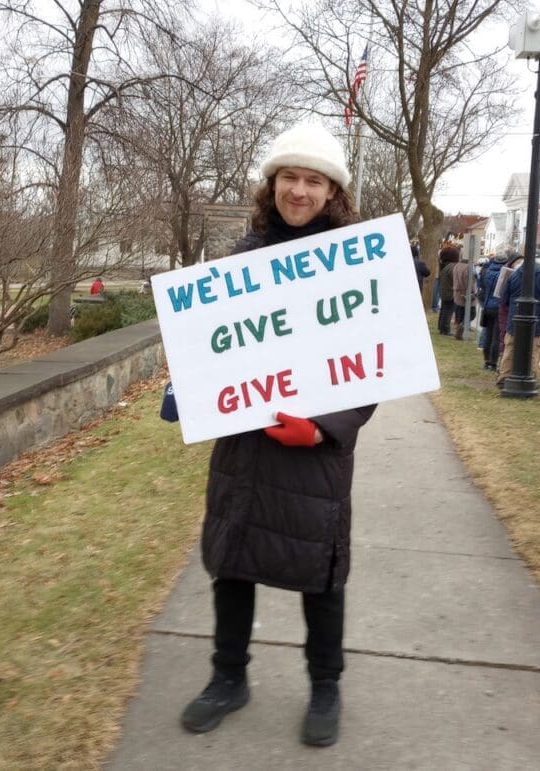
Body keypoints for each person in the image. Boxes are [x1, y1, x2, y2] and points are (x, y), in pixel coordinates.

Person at [180, 122, 376, 746]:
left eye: (312, 180)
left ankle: (326, 687)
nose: (299, 190)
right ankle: (227, 678)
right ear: (272, 185)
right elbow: (210, 350)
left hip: (312, 455)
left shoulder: (356, 265)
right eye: (289, 177)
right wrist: (187, 388)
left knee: (319, 572)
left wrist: (322, 429)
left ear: (331, 193)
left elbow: (372, 364)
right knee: (232, 564)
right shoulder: (238, 262)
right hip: (245, 445)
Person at [495, 253, 540, 388]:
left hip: (514, 319)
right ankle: (529, 377)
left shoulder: (513, 276)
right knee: (534, 350)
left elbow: (504, 298)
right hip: (537, 321)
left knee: (510, 348)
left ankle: (504, 376)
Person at [478, 252, 507, 370]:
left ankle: (486, 360)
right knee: (496, 336)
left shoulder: (487, 271)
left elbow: (481, 286)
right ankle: (493, 362)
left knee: (488, 335)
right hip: (498, 306)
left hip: (487, 306)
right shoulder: (503, 273)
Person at [436, 245, 461, 336]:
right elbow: (455, 279)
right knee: (448, 311)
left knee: (444, 309)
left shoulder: (443, 265)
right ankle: (445, 329)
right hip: (450, 292)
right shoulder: (452, 267)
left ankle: (441, 327)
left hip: (444, 291)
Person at [451, 247, 473, 340]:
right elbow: (469, 282)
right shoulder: (467, 267)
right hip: (465, 294)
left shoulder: (456, 266)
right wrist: (473, 292)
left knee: (460, 314)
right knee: (471, 313)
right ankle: (461, 328)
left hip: (457, 293)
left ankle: (460, 328)